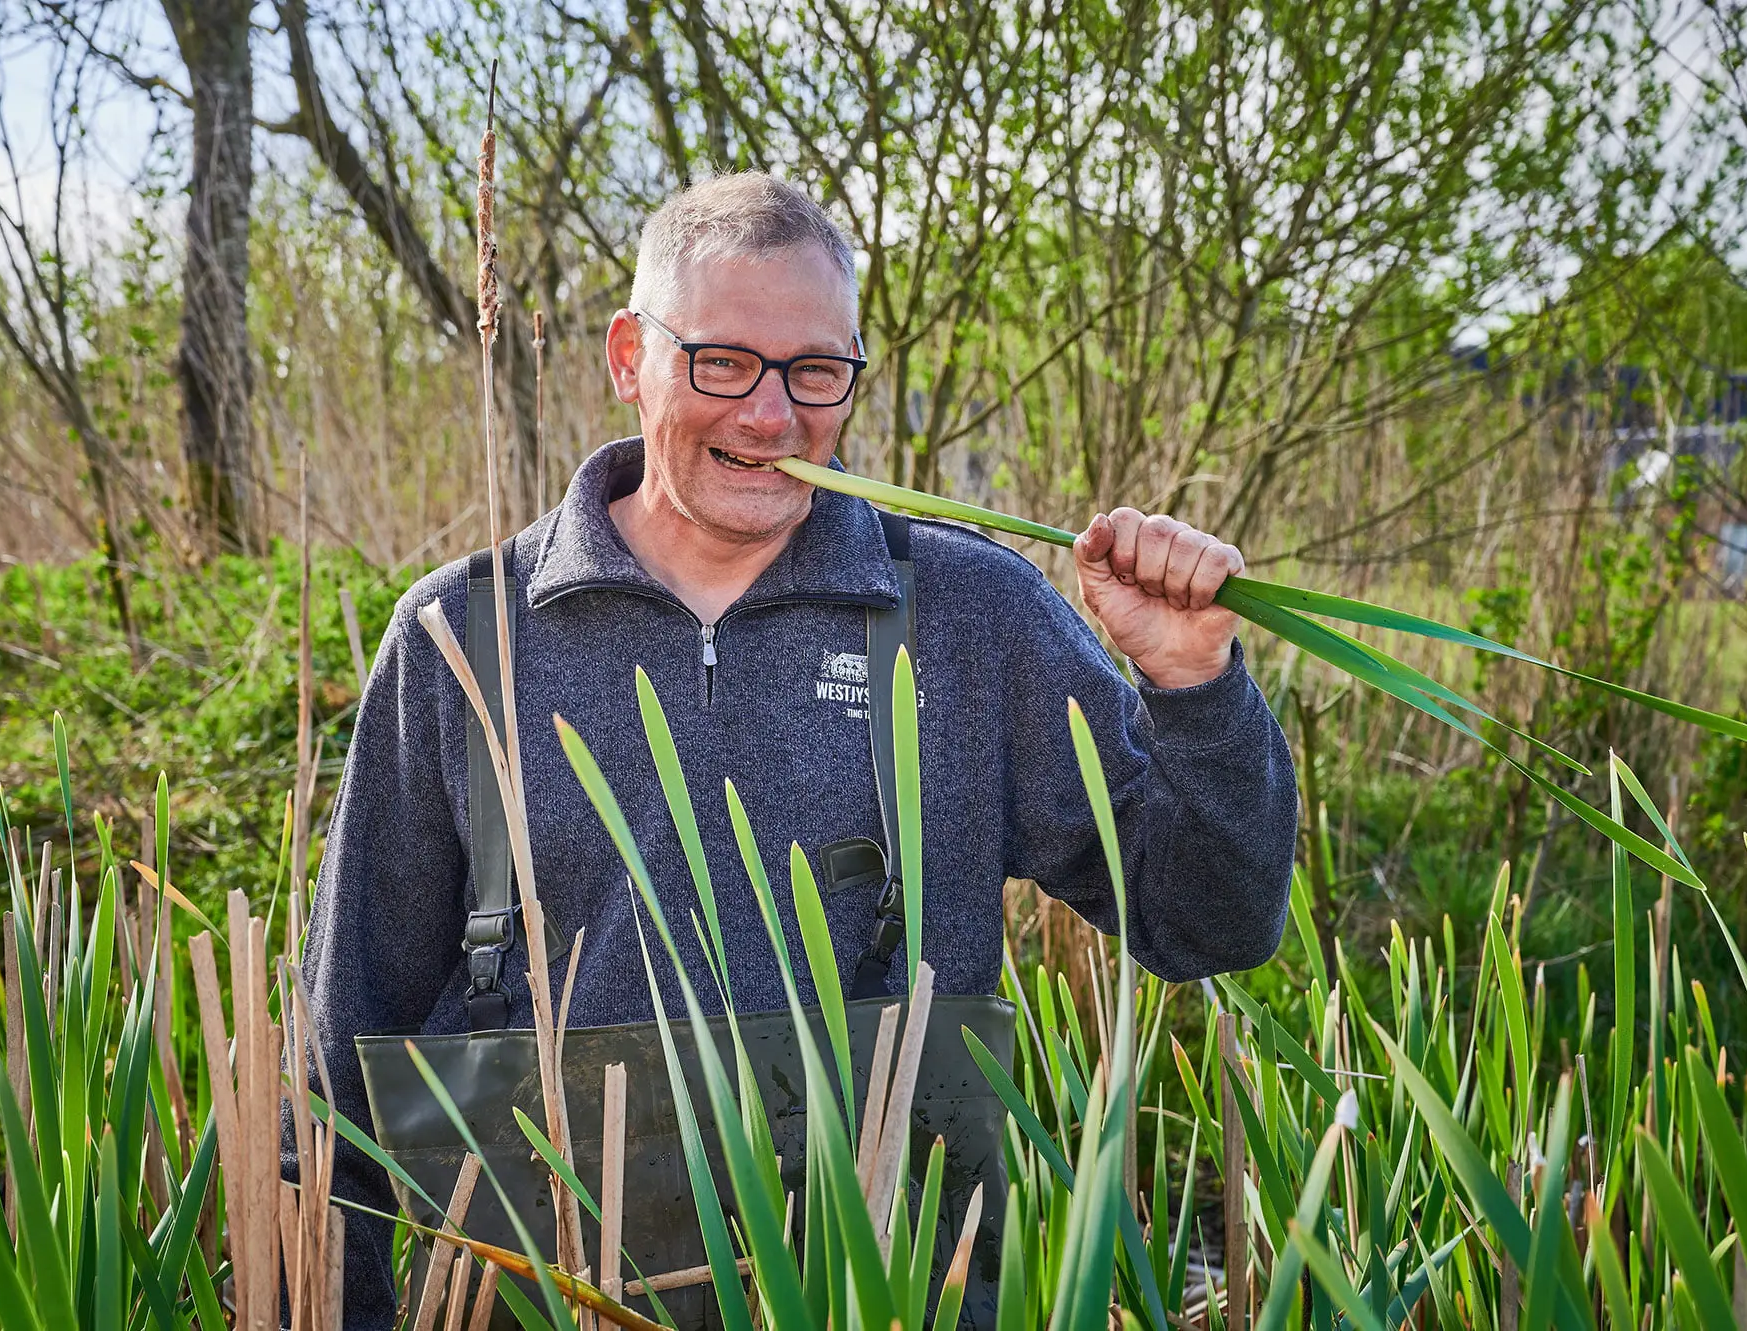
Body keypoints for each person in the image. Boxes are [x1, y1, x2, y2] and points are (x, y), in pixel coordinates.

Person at [294, 172, 1297, 1327]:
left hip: (887, 1295)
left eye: (815, 371)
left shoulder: (969, 615)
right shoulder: (460, 634)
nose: (772, 416)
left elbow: (1209, 921)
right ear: (630, 356)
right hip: (539, 1291)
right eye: (720, 361)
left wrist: (1193, 683)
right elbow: (341, 1055)